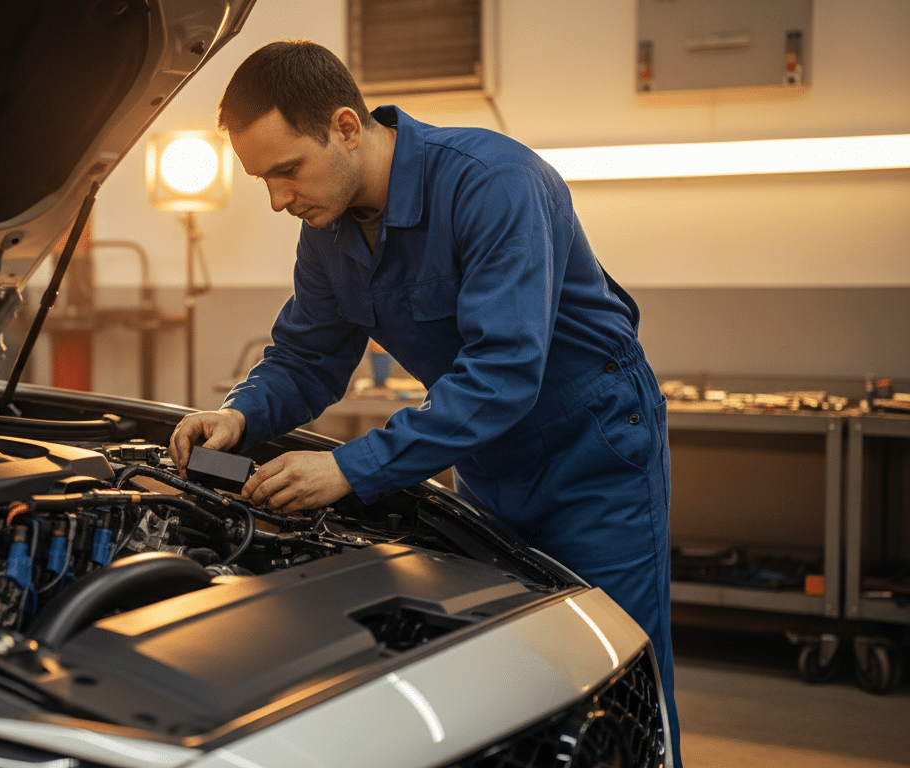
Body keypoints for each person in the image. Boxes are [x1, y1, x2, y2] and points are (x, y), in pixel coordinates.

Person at [168, 39, 681, 764]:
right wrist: (240, 413)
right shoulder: (327, 232)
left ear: (347, 127)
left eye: (288, 170)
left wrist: (350, 468)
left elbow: (504, 372)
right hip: (487, 455)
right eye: (263, 180)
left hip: (593, 450)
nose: (279, 199)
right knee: (515, 677)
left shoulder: (492, 182)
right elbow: (307, 358)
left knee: (616, 680)